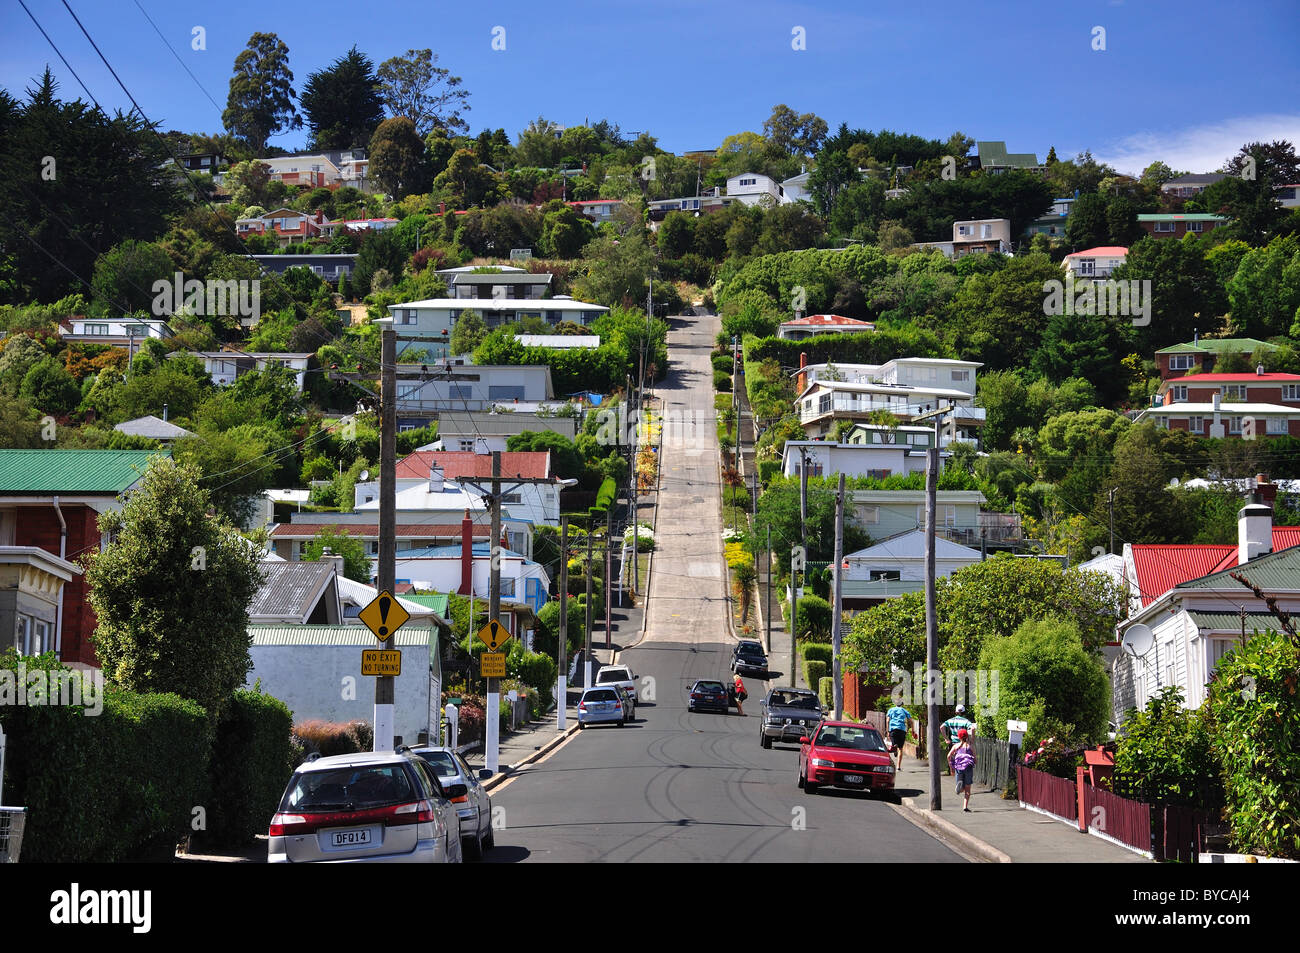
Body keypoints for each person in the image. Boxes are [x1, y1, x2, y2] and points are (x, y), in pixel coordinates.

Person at [948, 728, 976, 811]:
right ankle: (965, 806)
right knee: (968, 788)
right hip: (968, 767)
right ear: (967, 736)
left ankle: (960, 789)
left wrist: (951, 767)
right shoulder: (969, 746)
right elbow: (974, 758)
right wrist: (974, 762)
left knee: (961, 786)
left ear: (958, 737)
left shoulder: (956, 746)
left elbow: (948, 756)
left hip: (959, 768)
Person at [941, 705, 975, 775]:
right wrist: (972, 740)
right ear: (964, 712)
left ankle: (954, 772)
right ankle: (964, 775)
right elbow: (973, 728)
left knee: (953, 759)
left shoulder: (950, 720)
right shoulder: (966, 721)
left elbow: (942, 727)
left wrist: (946, 739)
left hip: (954, 745)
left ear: (956, 712)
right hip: (963, 744)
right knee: (964, 760)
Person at [885, 702, 911, 771]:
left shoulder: (891, 710)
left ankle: (894, 747)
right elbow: (910, 720)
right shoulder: (904, 710)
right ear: (902, 704)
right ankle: (898, 767)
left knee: (894, 745)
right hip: (902, 729)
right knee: (901, 749)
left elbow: (887, 720)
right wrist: (909, 728)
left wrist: (887, 731)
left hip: (893, 729)